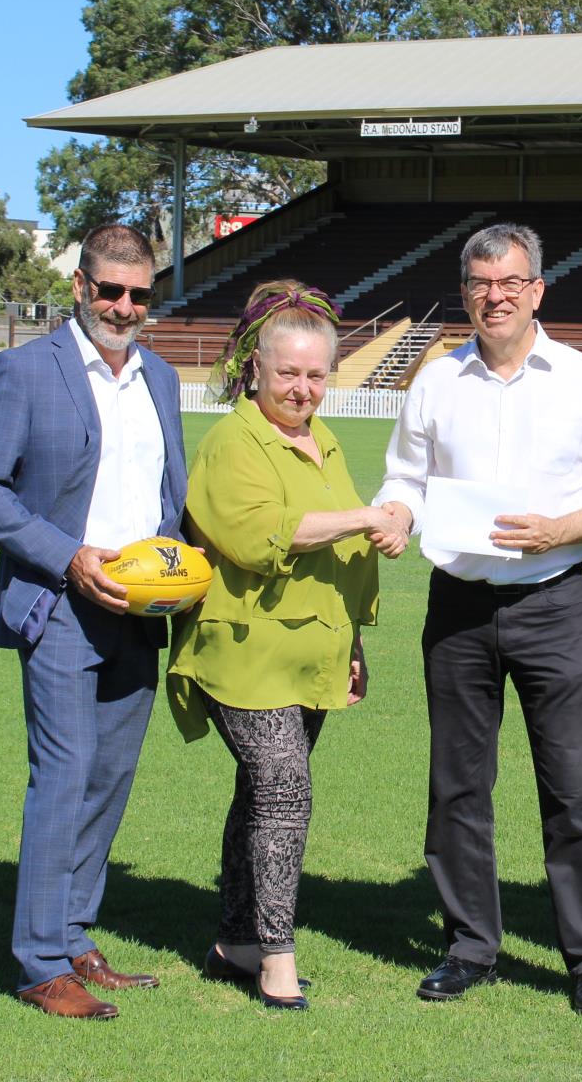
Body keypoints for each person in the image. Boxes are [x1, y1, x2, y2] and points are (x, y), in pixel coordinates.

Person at [376, 222, 582, 1015]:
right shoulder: (436, 381)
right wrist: (396, 513)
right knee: (458, 785)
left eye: (510, 283)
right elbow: (407, 476)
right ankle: (469, 946)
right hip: (458, 605)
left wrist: (565, 529)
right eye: (480, 284)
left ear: (537, 291)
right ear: (465, 293)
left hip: (551, 601)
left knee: (571, 788)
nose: (495, 297)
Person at [0, 223, 186, 1019]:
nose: (124, 307)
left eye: (139, 294)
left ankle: (77, 938)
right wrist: (68, 556)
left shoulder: (159, 378)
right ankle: (39, 960)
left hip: (139, 612)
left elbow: (170, 498)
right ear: (80, 287)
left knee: (107, 782)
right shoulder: (22, 371)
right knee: (62, 776)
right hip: (58, 605)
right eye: (110, 290)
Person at [165, 280, 405, 1012]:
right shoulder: (233, 441)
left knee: (259, 796)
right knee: (283, 792)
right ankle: (276, 956)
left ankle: (235, 940)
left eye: (315, 375)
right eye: (288, 374)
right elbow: (258, 535)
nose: (302, 389)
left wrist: (355, 641)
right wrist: (366, 515)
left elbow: (339, 556)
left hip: (314, 651)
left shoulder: (322, 440)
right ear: (255, 369)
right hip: (245, 654)